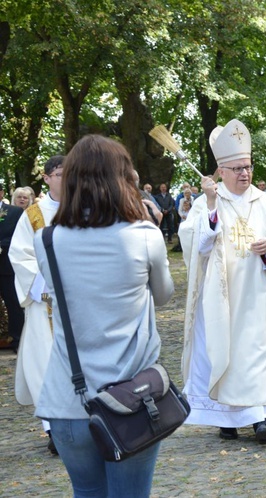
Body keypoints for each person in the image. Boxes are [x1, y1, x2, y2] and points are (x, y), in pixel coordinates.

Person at [33, 135, 174, 497]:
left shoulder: (47, 240)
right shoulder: (144, 236)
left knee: (87, 492)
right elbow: (164, 296)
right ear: (122, 178)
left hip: (67, 399)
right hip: (130, 400)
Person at [180, 119, 266, 444]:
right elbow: (193, 242)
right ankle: (227, 418)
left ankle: (263, 418)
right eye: (237, 168)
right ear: (222, 170)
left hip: (260, 293)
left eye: (248, 166)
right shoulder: (207, 201)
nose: (245, 173)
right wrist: (213, 207)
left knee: (261, 352)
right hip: (223, 296)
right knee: (226, 353)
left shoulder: (264, 200)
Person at [9, 155, 65, 455]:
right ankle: (54, 429)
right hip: (45, 304)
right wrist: (49, 284)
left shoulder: (85, 208)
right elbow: (19, 256)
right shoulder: (33, 215)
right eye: (58, 173)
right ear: (46, 178)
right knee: (45, 365)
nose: (64, 178)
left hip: (80, 301)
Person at [0, 182, 25, 353]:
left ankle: (17, 341)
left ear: (1, 193)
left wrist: (1, 245)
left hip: (5, 266)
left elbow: (19, 236)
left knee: (13, 304)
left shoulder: (15, 212)